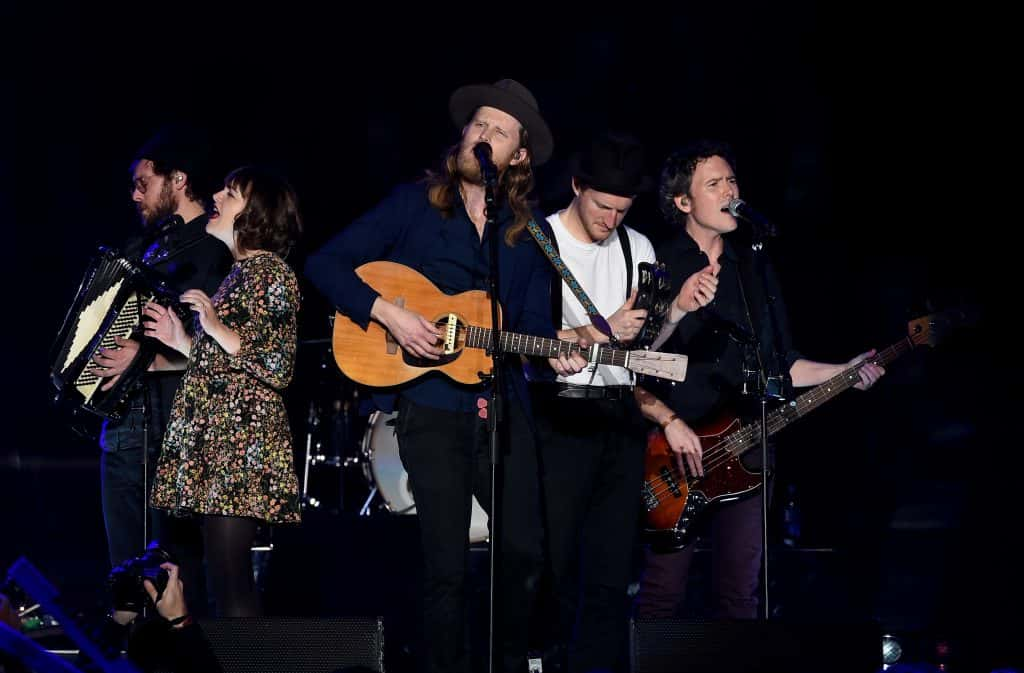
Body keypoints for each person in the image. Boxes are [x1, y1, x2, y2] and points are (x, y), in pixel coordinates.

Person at [305, 78, 564, 673]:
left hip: (502, 410)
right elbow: (325, 262)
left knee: (525, 553)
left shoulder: (533, 235)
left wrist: (557, 353)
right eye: (479, 123)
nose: (483, 135)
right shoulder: (416, 204)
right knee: (443, 566)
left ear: (518, 156)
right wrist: (389, 312)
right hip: (430, 408)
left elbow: (529, 326)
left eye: (500, 131)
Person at [632, 140, 885, 620]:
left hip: (748, 447)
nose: (729, 190)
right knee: (663, 594)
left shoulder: (754, 267)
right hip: (677, 451)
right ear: (683, 202)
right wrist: (677, 308)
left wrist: (844, 372)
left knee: (740, 597)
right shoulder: (657, 261)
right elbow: (637, 357)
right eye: (714, 184)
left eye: (732, 181)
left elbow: (781, 364)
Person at [530, 132, 717, 672]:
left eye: (622, 210)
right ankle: (545, 660)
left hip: (618, 414)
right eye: (602, 207)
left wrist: (676, 310)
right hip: (556, 412)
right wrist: (594, 331)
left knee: (612, 567)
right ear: (576, 186)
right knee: (553, 560)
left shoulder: (641, 248)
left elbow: (643, 354)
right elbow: (522, 337)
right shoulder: (537, 240)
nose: (611, 221)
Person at [143, 165, 303, 618]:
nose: (216, 194)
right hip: (221, 451)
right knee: (219, 586)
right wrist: (185, 341)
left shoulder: (271, 272)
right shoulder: (241, 274)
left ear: (254, 214)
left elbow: (277, 365)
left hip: (240, 454)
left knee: (232, 590)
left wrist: (215, 326)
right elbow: (228, 367)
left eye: (230, 193)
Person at [89, 124, 232, 614]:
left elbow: (217, 350)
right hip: (121, 425)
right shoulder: (144, 249)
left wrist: (141, 360)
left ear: (178, 180)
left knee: (171, 573)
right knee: (123, 579)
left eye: (143, 182)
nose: (134, 194)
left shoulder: (216, 247)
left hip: (173, 430)